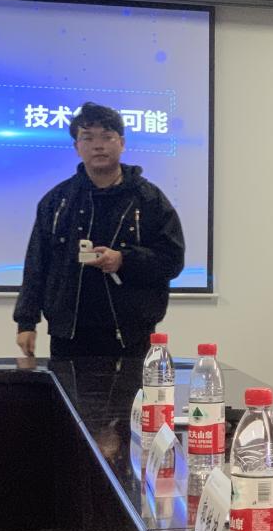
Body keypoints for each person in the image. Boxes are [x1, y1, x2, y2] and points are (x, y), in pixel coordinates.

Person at [13, 102, 185, 359]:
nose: (98, 145)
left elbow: (172, 260)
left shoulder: (149, 199)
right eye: (88, 138)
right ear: (77, 147)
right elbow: (37, 263)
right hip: (68, 334)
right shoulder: (57, 201)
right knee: (66, 388)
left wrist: (124, 259)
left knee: (132, 388)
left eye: (107, 137)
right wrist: (26, 322)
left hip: (131, 334)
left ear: (122, 143)